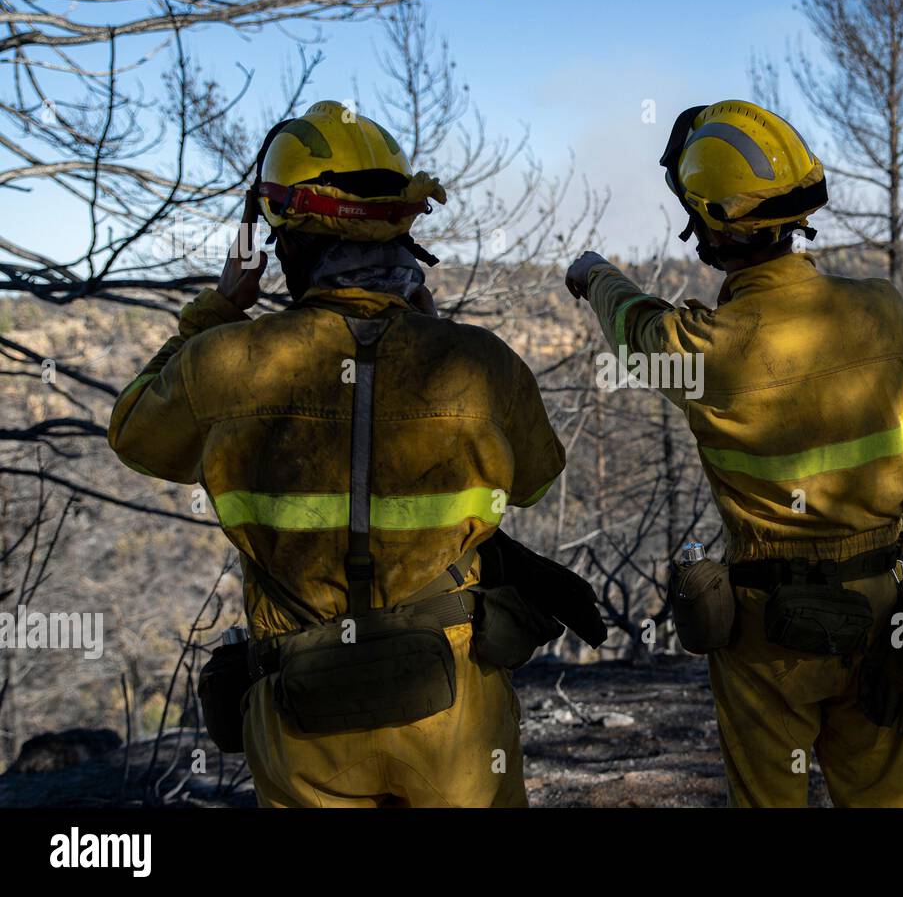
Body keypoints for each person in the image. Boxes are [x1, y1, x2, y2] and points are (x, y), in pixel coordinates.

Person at [110, 100, 569, 807]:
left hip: (303, 717)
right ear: (400, 238)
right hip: (454, 719)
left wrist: (216, 312)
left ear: (285, 248)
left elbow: (135, 433)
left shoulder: (225, 363)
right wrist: (435, 337)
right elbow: (537, 477)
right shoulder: (480, 364)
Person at [566, 100, 903, 807]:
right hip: (887, 602)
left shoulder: (708, 350)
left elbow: (634, 327)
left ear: (708, 224)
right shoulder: (884, 307)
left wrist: (594, 274)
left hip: (773, 629)